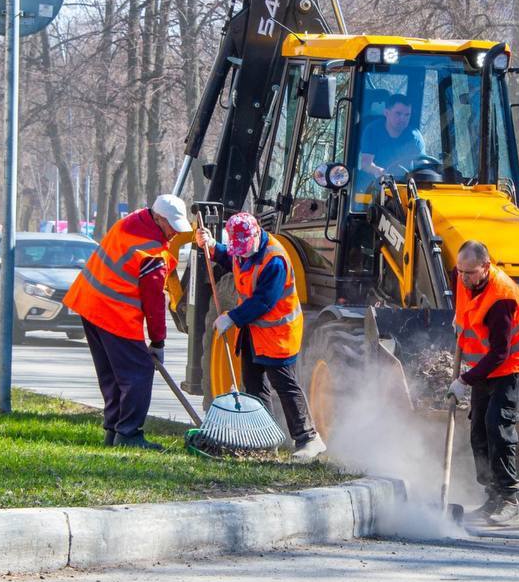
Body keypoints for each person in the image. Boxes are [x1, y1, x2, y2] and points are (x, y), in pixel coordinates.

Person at [194, 212, 326, 461]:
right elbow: (228, 256)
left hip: (278, 335)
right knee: (254, 386)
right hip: (254, 333)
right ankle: (265, 441)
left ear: (257, 235)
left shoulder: (275, 260)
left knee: (285, 386)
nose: (240, 254)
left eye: (244, 250)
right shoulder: (242, 250)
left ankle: (309, 438)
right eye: (238, 250)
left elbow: (264, 301)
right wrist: (211, 246)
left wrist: (232, 317)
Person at [64, 195, 189, 450]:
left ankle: (113, 431)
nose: (176, 232)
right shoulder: (152, 253)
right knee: (138, 374)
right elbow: (154, 303)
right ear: (159, 218)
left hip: (89, 304)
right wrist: (158, 342)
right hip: (114, 313)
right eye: (172, 226)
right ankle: (129, 434)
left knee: (111, 375)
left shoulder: (128, 223)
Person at [446, 239, 519, 526]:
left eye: (469, 272)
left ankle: (509, 499)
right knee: (478, 430)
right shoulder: (463, 276)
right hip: (482, 363)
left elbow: (500, 352)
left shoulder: (502, 297)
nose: (463, 278)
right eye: (460, 271)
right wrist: (459, 320)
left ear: (486, 266)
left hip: (510, 365)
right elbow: (463, 300)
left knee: (498, 424)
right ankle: (492, 495)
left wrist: (464, 380)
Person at [357, 93, 426, 194]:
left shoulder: (415, 137)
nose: (403, 119)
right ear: (386, 113)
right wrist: (379, 172)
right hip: (375, 188)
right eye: (398, 113)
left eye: (407, 115)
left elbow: (421, 167)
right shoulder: (372, 131)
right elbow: (366, 164)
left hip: (406, 188)